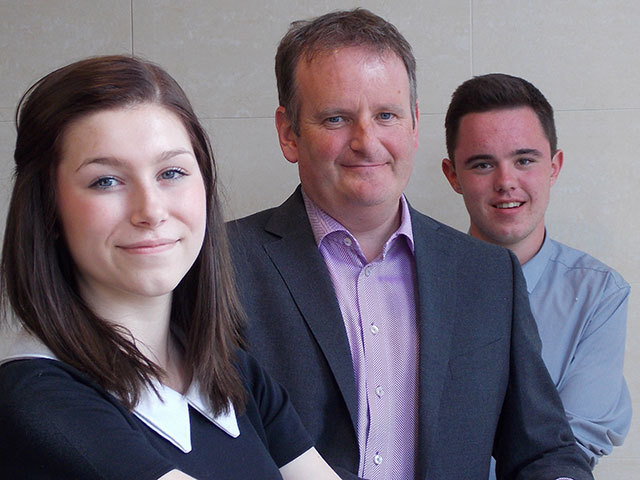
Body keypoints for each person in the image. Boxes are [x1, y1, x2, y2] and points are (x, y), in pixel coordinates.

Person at [227, 8, 594, 480]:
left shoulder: (487, 275)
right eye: (336, 118)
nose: (367, 141)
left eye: (386, 115)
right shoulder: (221, 264)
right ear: (288, 132)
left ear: (415, 125)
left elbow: (544, 450)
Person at [0, 55, 341, 480]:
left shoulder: (232, 371)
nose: (151, 210)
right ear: (47, 211)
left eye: (172, 172)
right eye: (106, 180)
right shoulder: (38, 398)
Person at [441, 73, 631, 477]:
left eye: (524, 160)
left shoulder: (600, 295)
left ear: (554, 166)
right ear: (452, 175)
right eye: (482, 164)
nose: (506, 182)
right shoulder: (415, 282)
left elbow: (570, 445)